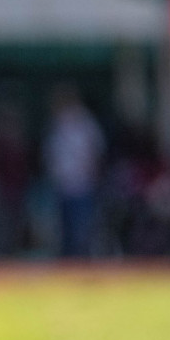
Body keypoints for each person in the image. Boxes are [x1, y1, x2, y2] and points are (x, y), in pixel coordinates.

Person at [43, 85, 104, 258]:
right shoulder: (56, 124)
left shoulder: (86, 123)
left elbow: (96, 153)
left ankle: (83, 268)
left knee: (82, 231)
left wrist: (93, 177)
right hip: (62, 186)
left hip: (83, 185)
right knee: (65, 233)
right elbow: (50, 155)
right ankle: (68, 270)